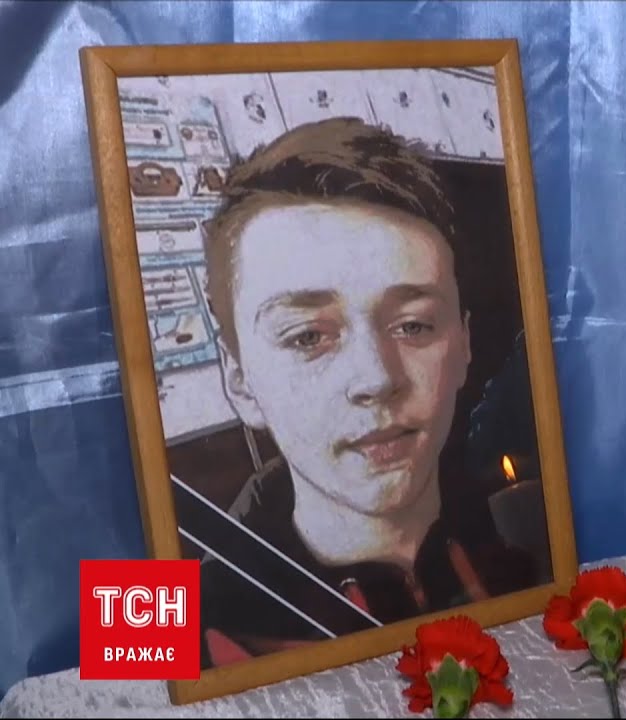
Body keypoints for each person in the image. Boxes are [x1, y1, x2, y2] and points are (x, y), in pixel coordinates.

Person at [192, 116, 534, 667]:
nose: (377, 377)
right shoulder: (181, 632)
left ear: (465, 343)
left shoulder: (527, 540)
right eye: (308, 336)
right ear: (240, 380)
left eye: (413, 325)